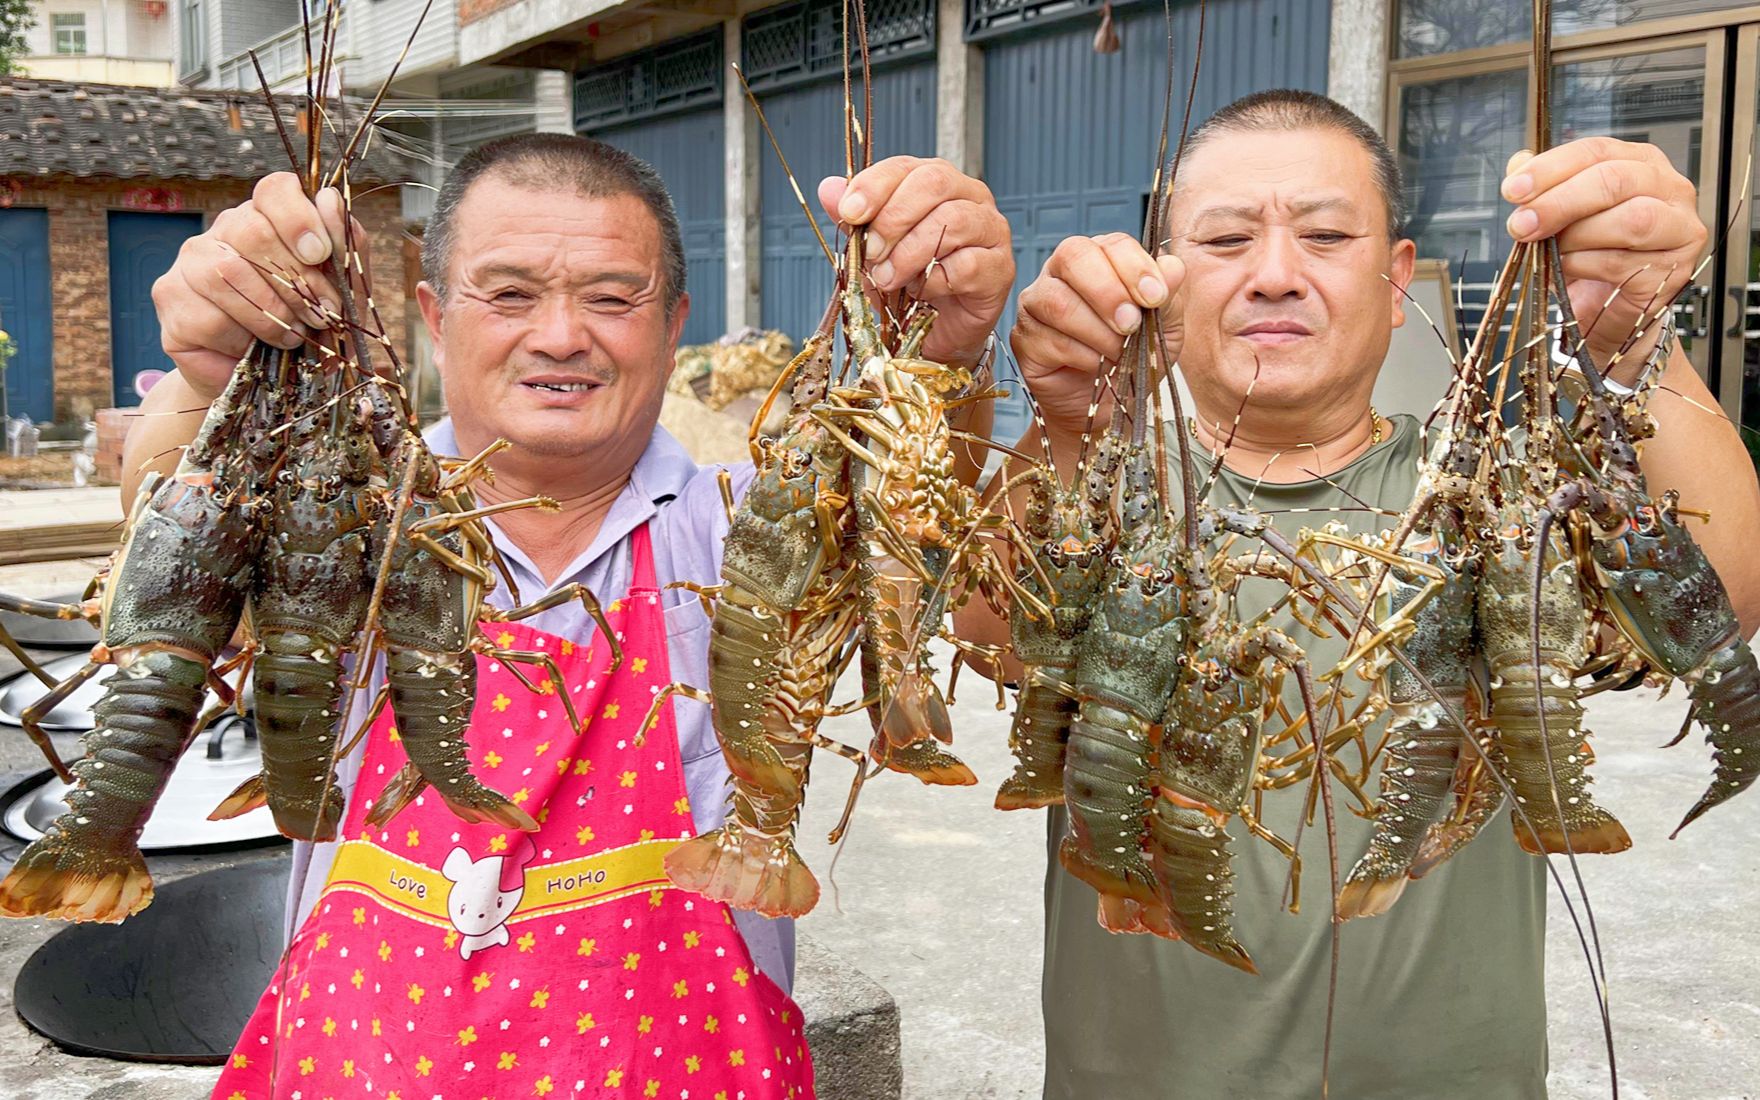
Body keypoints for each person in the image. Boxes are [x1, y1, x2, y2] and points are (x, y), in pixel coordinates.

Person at [133, 132, 1016, 1098]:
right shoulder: (350, 520)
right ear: (434, 316)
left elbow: (928, 535)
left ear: (676, 323)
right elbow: (170, 523)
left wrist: (940, 363)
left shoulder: (747, 526)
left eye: (611, 297)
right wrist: (206, 378)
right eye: (509, 294)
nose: (560, 335)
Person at [961, 89, 1760, 1098]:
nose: (1274, 273)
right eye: (1223, 239)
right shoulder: (1116, 493)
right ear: (1159, 280)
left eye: (1325, 234)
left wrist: (1637, 340)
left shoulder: (1475, 494)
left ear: (1394, 280)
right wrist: (1068, 426)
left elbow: (1722, 597)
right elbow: (986, 622)